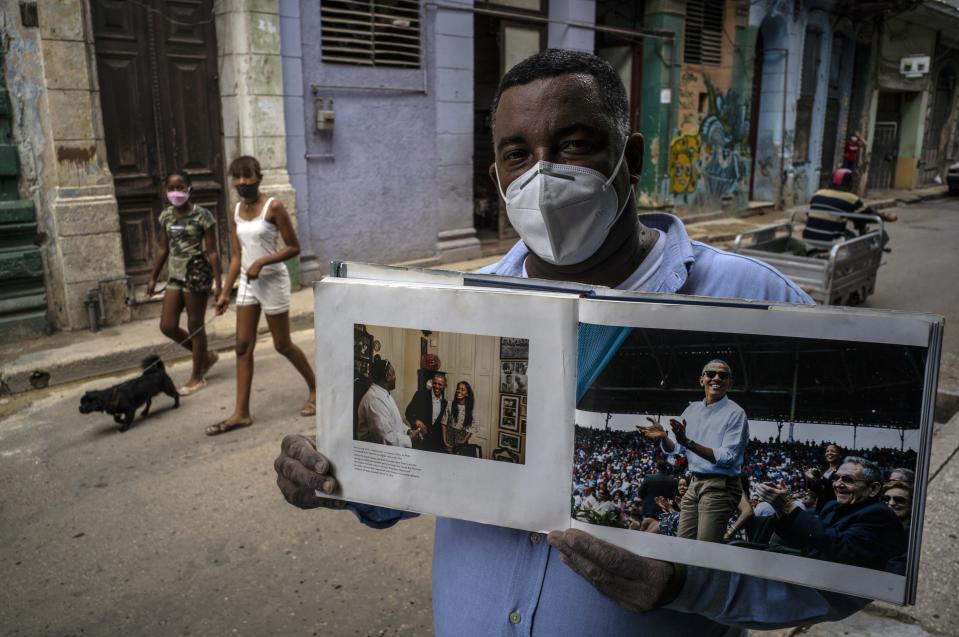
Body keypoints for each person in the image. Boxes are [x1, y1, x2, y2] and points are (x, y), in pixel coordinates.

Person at [274, 50, 870, 634]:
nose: (544, 173)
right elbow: (410, 484)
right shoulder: (459, 306)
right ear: (498, 180)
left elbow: (848, 579)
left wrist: (690, 587)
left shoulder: (756, 302)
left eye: (574, 145)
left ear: (630, 157)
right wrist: (338, 479)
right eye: (518, 155)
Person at [208, 155, 316, 434]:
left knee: (282, 344)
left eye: (248, 176)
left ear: (259, 177)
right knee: (242, 346)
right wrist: (224, 293)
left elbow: (294, 247)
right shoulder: (234, 212)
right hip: (246, 283)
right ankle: (241, 413)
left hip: (272, 280)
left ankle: (316, 388)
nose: (243, 182)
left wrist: (262, 262)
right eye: (238, 177)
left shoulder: (273, 207)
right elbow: (236, 257)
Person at [641, 360, 749, 543]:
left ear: (729, 383)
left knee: (704, 546)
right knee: (683, 543)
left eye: (723, 375)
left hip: (720, 486)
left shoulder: (736, 413)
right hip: (694, 482)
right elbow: (675, 449)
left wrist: (688, 442)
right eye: (711, 374)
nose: (716, 378)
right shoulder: (692, 410)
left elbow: (727, 458)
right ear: (702, 380)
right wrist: (663, 438)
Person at [756, 457, 906, 571]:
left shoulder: (880, 515)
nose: (838, 484)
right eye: (836, 478)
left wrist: (789, 505)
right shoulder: (831, 506)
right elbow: (805, 540)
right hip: (809, 570)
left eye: (848, 480)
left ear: (872, 489)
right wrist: (780, 508)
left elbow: (841, 549)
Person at [146, 170, 221, 395]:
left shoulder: (203, 216)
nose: (175, 192)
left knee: (195, 326)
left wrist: (219, 285)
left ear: (189, 188)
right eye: (171, 188)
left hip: (196, 275)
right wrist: (152, 277)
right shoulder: (166, 216)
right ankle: (205, 356)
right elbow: (162, 248)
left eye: (180, 187)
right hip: (174, 276)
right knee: (167, 326)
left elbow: (213, 252)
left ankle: (197, 377)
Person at [802, 168, 897, 249]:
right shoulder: (850, 198)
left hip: (808, 237)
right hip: (830, 240)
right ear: (849, 184)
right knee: (858, 244)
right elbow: (868, 213)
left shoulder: (818, 193)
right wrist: (886, 217)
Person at [357, 359, 420, 447]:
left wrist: (408, 431)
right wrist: (410, 438)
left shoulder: (384, 394)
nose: (395, 377)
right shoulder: (374, 399)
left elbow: (396, 423)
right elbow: (385, 438)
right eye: (394, 374)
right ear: (387, 376)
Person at [404, 372, 448, 452]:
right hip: (420, 441)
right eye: (435, 383)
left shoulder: (445, 403)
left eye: (440, 384)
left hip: (435, 445)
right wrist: (416, 421)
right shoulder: (421, 395)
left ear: (445, 386)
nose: (437, 386)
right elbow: (408, 412)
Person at [804, 443, 843, 511]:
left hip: (832, 507)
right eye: (827, 451)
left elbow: (831, 489)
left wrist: (814, 478)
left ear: (839, 455)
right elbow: (816, 489)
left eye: (833, 451)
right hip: (821, 506)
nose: (829, 453)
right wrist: (810, 477)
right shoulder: (824, 470)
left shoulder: (841, 470)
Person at [443, 381, 476, 452]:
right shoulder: (450, 404)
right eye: (458, 389)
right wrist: (445, 441)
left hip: (462, 438)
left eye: (462, 390)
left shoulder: (470, 409)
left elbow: (472, 428)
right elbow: (443, 423)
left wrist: (463, 441)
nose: (459, 391)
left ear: (467, 394)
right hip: (449, 436)